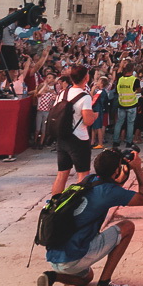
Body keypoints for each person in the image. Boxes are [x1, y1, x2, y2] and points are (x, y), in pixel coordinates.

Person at [37, 146, 143, 286]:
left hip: (56, 257)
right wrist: (137, 169)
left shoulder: (90, 180)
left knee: (87, 278)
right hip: (74, 256)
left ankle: (51, 277)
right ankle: (104, 285)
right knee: (127, 227)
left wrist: (121, 170)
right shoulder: (108, 192)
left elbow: (113, 186)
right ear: (115, 172)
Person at [51, 64, 96, 196]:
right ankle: (77, 204)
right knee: (82, 174)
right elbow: (88, 121)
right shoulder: (85, 97)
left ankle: (54, 204)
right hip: (78, 138)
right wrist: (94, 115)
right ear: (86, 78)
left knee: (62, 174)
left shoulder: (62, 93)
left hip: (62, 136)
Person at [114, 60, 140, 147]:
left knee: (119, 123)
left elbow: (117, 89)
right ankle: (129, 142)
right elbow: (138, 90)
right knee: (130, 123)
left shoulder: (120, 79)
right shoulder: (135, 80)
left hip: (121, 103)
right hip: (131, 104)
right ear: (133, 70)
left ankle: (115, 141)